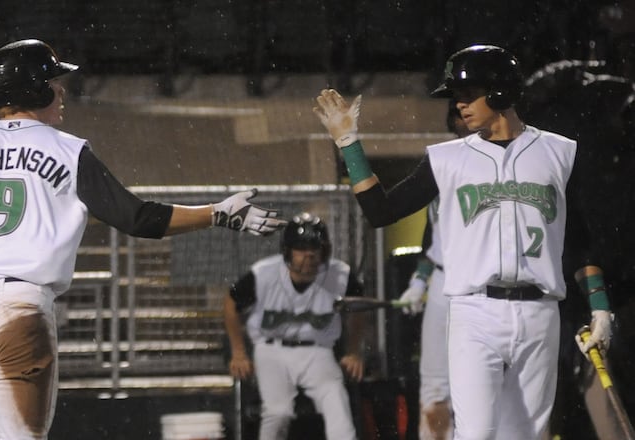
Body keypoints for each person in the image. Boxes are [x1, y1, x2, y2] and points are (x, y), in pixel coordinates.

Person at [0, 39, 286, 440]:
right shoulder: (68, 150)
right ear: (34, 89)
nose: (60, 89)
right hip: (20, 310)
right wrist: (216, 213)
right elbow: (138, 218)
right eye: (53, 80)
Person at [313, 44, 614, 439]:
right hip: (475, 312)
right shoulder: (446, 158)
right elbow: (380, 212)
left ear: (501, 92)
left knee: (524, 435)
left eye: (468, 94)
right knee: (474, 434)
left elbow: (579, 240)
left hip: (541, 312)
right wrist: (348, 143)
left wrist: (600, 309)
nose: (460, 106)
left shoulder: (559, 152)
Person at [223, 212, 366, 440]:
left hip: (318, 350)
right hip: (271, 349)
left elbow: (357, 309)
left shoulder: (340, 275)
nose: (308, 255)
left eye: (314, 248)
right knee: (278, 412)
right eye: (301, 248)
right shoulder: (265, 273)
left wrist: (353, 351)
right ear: (288, 251)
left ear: (324, 250)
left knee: (336, 398)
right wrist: (238, 352)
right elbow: (231, 303)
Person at [396, 102, 471, 440]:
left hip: (479, 288)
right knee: (434, 383)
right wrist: (418, 281)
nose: (464, 125)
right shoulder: (441, 166)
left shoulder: (503, 168)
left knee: (473, 386)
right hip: (442, 283)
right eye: (458, 120)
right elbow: (432, 239)